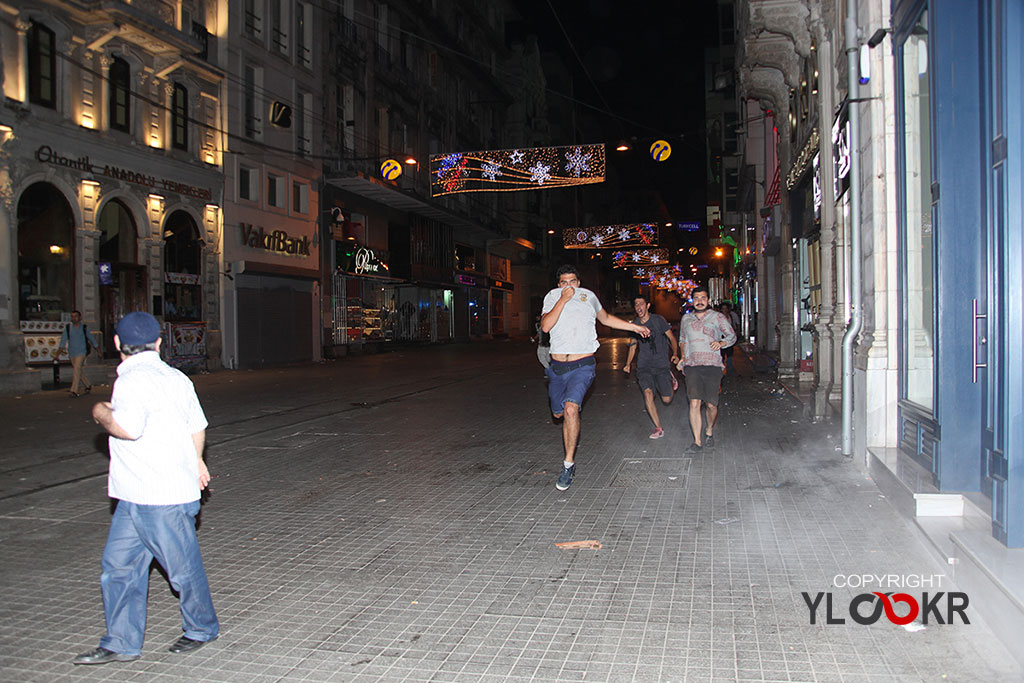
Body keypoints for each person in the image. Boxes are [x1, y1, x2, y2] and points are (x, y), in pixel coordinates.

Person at [74, 312, 218, 665]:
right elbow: (196, 426)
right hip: (134, 495)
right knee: (119, 567)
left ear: (117, 344)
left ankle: (202, 627)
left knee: (181, 568)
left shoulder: (132, 380)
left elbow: (127, 428)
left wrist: (99, 412)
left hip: (161, 496)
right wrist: (197, 459)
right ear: (158, 342)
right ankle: (121, 642)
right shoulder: (176, 377)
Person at [541, 265, 650, 490]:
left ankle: (568, 465)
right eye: (564, 282)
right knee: (558, 411)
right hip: (558, 367)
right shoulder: (552, 297)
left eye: (572, 281)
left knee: (571, 408)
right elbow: (545, 326)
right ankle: (560, 411)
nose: (568, 286)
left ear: (579, 283)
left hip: (583, 365)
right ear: (558, 284)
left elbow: (607, 318)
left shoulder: (588, 297)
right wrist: (562, 300)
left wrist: (635, 328)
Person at [675, 287, 737, 452]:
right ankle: (697, 442)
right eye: (696, 298)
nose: (700, 301)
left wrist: (722, 343)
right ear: (692, 300)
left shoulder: (717, 317)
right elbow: (682, 339)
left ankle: (709, 429)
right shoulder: (686, 319)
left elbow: (731, 336)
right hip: (692, 365)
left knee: (711, 404)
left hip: (712, 365)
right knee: (694, 402)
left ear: (708, 300)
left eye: (703, 298)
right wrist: (683, 357)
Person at [623, 295, 680, 439]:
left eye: (641, 304)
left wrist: (675, 353)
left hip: (661, 365)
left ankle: (671, 380)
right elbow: (633, 345)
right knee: (648, 394)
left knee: (666, 399)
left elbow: (672, 338)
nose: (638, 307)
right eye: (636, 304)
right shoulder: (635, 324)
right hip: (644, 366)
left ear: (647, 306)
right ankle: (658, 428)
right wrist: (628, 364)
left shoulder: (658, 320)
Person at [54, 310, 101, 397]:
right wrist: (57, 355)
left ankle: (74, 390)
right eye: (72, 316)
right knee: (78, 370)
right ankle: (88, 385)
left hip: (81, 352)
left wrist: (98, 350)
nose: (73, 318)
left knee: (77, 368)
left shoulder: (84, 328)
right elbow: (63, 342)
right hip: (72, 352)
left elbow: (92, 339)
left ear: (80, 318)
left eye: (75, 316)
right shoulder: (68, 328)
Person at [719, 302, 741, 375]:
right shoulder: (718, 317)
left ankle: (729, 368)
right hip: (721, 337)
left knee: (730, 352)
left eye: (726, 308)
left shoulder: (732, 315)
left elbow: (737, 323)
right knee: (721, 352)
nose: (724, 310)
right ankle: (721, 367)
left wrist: (737, 332)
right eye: (723, 309)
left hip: (729, 337)